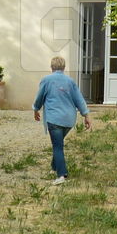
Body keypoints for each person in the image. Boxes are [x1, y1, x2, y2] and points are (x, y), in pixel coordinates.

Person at [33, 56, 92, 184]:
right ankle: (54, 167)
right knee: (58, 143)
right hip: (69, 120)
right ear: (64, 67)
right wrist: (86, 115)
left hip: (54, 119)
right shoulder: (70, 82)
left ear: (51, 67)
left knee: (57, 145)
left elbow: (39, 97)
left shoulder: (46, 80)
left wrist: (35, 109)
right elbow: (79, 99)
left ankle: (61, 174)